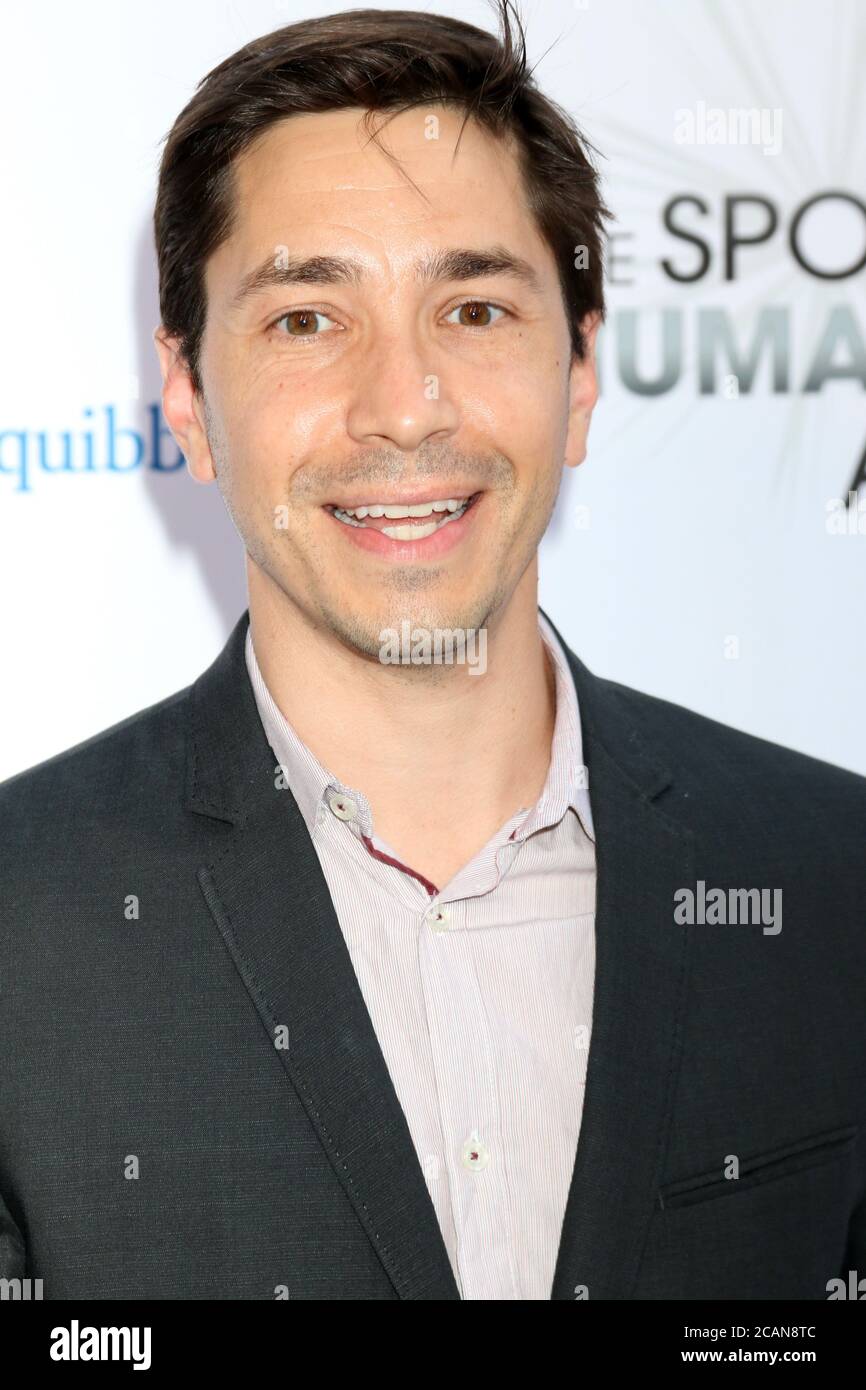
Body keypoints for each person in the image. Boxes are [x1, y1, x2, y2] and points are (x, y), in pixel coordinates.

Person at [1, 1, 864, 1302]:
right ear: (184, 398)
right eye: (306, 318)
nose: (402, 405)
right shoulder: (24, 919)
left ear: (578, 374)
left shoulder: (830, 876)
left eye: (470, 307)